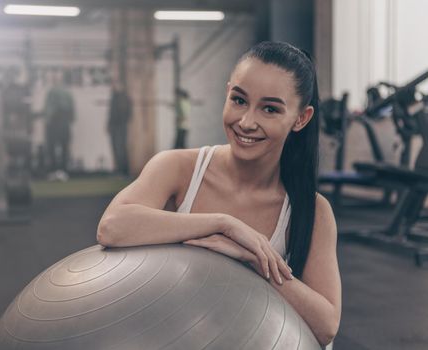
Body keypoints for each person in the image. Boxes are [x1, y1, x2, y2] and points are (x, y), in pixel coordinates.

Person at [96, 41, 341, 347]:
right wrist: (223, 224)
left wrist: (255, 260)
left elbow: (326, 325)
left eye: (269, 109)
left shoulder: (312, 209)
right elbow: (112, 227)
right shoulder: (178, 167)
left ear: (301, 118)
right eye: (239, 100)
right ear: (227, 93)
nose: (247, 122)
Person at [44, 70, 75, 178]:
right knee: (62, 147)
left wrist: (48, 120)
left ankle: (56, 171)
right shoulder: (66, 93)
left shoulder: (53, 93)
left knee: (55, 147)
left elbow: (49, 110)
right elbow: (72, 111)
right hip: (62, 124)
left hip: (55, 124)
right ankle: (61, 171)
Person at [108, 82, 132, 175]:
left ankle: (124, 170)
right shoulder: (114, 97)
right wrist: (109, 125)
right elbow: (111, 113)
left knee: (121, 149)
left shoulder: (124, 98)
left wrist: (121, 123)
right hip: (114, 127)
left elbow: (127, 114)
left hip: (121, 127)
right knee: (116, 149)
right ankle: (119, 170)